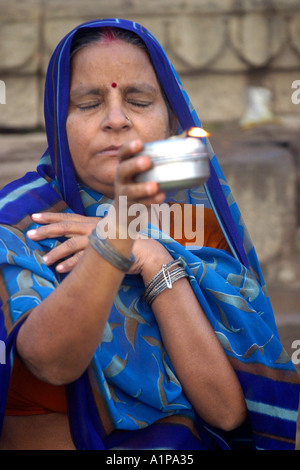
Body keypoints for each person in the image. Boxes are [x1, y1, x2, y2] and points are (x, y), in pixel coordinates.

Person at [0, 18, 299, 451]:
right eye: (88, 103)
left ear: (170, 120)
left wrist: (155, 257)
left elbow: (227, 411)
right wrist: (118, 233)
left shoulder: (192, 226)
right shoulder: (23, 224)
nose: (116, 120)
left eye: (138, 100)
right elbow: (53, 361)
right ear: (57, 123)